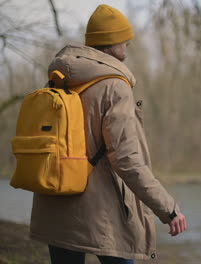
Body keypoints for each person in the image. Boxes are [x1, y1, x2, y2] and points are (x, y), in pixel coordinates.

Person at [29, 4, 186, 264]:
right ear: (111, 43)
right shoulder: (115, 86)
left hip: (54, 201)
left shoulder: (58, 79)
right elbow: (127, 160)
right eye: (124, 39)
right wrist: (168, 208)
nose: (127, 45)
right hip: (103, 215)